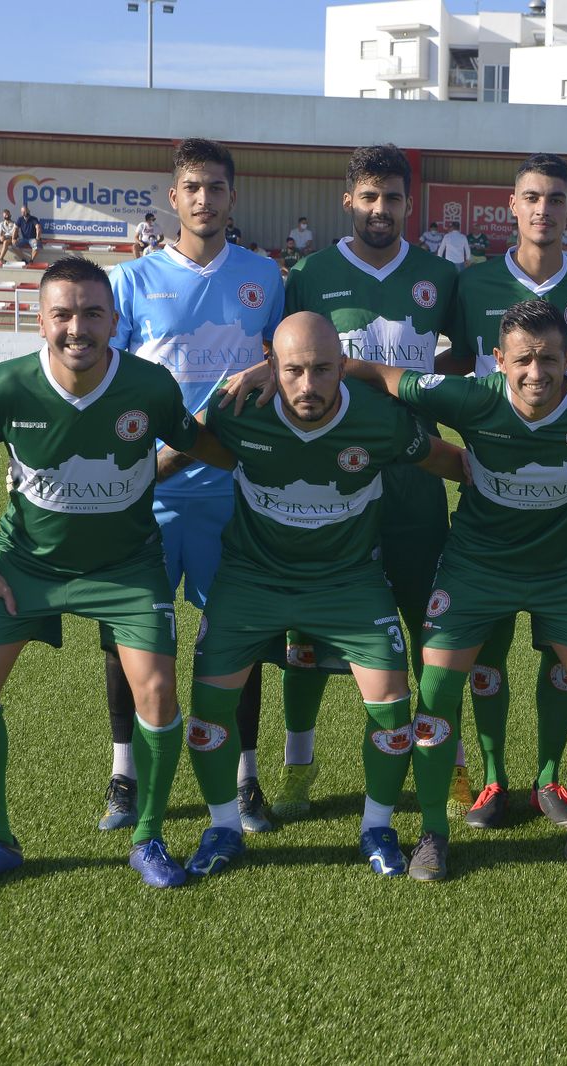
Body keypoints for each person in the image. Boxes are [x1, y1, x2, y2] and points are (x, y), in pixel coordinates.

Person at [343, 299, 567, 881]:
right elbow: (379, 374)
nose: (537, 373)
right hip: (475, 572)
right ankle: (433, 832)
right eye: (524, 359)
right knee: (434, 696)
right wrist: (274, 370)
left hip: (566, 576)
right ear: (499, 361)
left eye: (550, 358)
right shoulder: (471, 397)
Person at [0, 255, 230, 890]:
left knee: (156, 691)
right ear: (40, 322)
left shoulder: (149, 387)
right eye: (62, 315)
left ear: (113, 320)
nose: (78, 328)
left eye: (92, 314)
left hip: (126, 565)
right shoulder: (1, 387)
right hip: (27, 562)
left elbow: (198, 441)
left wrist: (262, 450)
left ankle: (148, 837)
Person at [172, 312, 466, 878]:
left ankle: (377, 826)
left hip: (348, 583)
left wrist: (523, 483)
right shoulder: (237, 409)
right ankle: (222, 827)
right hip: (251, 581)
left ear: (343, 366)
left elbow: (445, 460)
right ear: (270, 367)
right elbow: (188, 442)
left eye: (324, 370)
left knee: (393, 712)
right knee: (209, 713)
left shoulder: (379, 421)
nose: (309, 386)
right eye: (294, 371)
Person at [224, 144, 459, 819]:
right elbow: (285, 354)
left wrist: (422, 391)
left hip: (410, 474)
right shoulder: (310, 274)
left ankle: (446, 753)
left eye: (391, 198)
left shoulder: (439, 276)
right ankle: (300, 758)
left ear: (409, 204)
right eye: (368, 197)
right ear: (347, 200)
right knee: (309, 622)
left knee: (426, 618)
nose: (380, 209)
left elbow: (465, 353)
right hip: (324, 476)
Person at [102, 138, 286, 834]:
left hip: (235, 490)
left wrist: (262, 373)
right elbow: (104, 384)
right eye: (192, 187)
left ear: (232, 197)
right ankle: (124, 774)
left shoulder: (265, 278)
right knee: (132, 640)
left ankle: (245, 779)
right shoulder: (129, 282)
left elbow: (287, 359)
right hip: (146, 491)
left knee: (236, 639)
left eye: (216, 187)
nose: (204, 198)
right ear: (173, 198)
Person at [436, 153, 567, 830]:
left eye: (557, 200)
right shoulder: (471, 282)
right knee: (485, 647)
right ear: (511, 205)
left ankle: (549, 775)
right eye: (532, 198)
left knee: (560, 651)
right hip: (490, 493)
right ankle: (491, 777)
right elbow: (453, 367)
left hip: (563, 496)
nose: (544, 210)